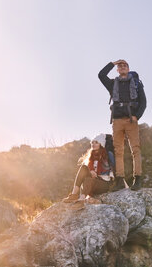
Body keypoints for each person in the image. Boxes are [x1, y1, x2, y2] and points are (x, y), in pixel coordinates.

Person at [98, 59, 147, 191]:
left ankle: (137, 179)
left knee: (135, 149)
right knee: (118, 151)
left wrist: (138, 115)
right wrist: (112, 63)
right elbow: (101, 75)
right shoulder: (113, 84)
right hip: (117, 121)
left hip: (132, 120)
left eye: (125, 65)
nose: (123, 67)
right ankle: (120, 180)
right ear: (117, 70)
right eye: (120, 66)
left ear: (128, 68)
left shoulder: (136, 83)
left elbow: (143, 101)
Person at [62, 134, 115, 203]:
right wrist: (91, 171)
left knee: (89, 180)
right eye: (92, 142)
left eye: (96, 142)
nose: (93, 144)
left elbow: (114, 169)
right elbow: (88, 169)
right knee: (83, 167)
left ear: (101, 144)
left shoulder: (108, 154)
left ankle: (81, 200)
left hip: (104, 183)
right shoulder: (91, 156)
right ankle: (74, 194)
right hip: (93, 182)